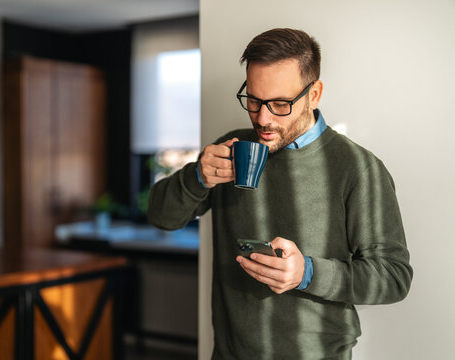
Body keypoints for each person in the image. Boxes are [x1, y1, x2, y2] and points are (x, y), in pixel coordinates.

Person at [147, 28, 412, 359]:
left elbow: (393, 277)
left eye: (280, 104)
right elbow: (161, 216)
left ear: (314, 94)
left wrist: (307, 273)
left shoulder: (357, 168)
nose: (263, 118)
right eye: (254, 100)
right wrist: (198, 176)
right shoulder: (233, 147)